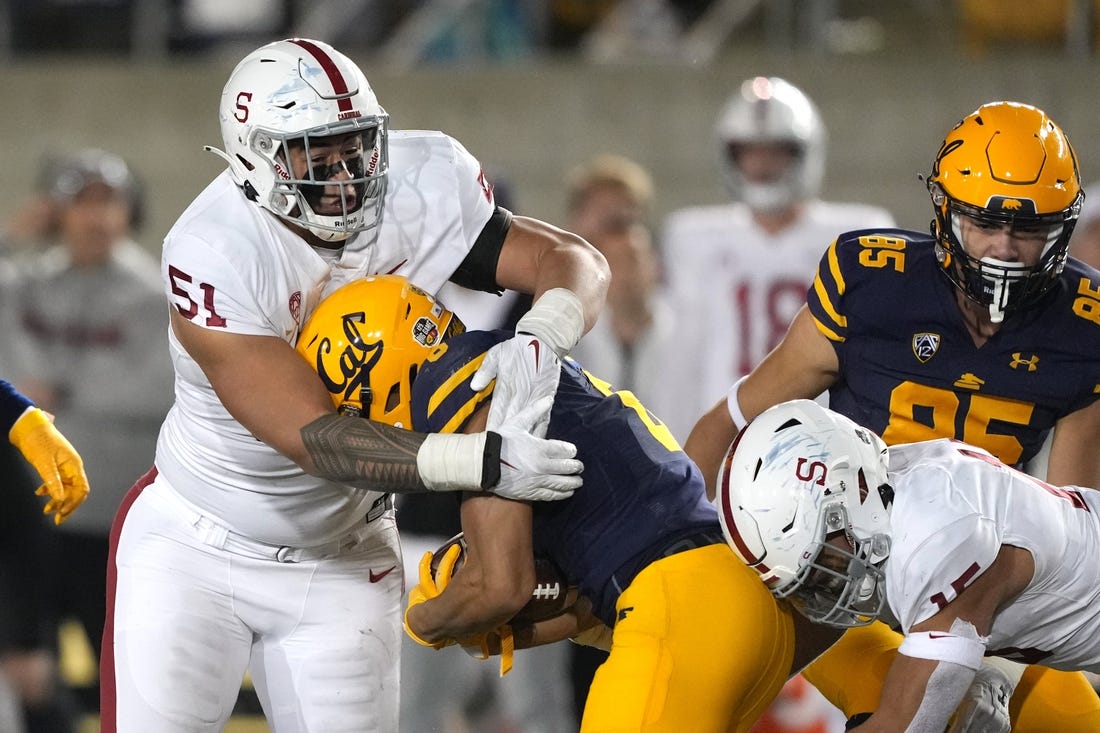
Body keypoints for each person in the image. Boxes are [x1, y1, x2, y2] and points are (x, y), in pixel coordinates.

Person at [101, 38, 608, 733]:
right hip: (196, 546)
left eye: (356, 144)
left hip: (344, 556)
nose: (344, 173)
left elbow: (571, 258)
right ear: (256, 155)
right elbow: (318, 436)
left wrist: (544, 332)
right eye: (316, 152)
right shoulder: (214, 248)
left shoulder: (424, 179)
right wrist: (479, 459)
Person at [684, 100, 1100, 730]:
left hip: (974, 579)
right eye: (985, 224)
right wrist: (682, 545)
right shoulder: (873, 283)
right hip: (839, 574)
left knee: (1072, 715)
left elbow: (1069, 506)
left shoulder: (1084, 321)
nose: (1005, 249)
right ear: (945, 213)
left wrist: (994, 648)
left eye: (1029, 229)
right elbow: (734, 419)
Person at [297, 274, 855, 733]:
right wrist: (493, 625)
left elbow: (499, 586)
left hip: (678, 610)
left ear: (374, 377)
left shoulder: (460, 386)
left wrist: (426, 621)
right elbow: (571, 601)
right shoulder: (524, 368)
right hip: (748, 596)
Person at [716, 398, 1100, 732]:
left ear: (855, 488)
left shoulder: (940, 538)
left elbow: (906, 726)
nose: (824, 584)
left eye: (819, 560)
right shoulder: (891, 495)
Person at [5, 149, 172, 718]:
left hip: (112, 521)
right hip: (29, 524)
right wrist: (11, 234)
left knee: (127, 681)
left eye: (109, 204)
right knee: (29, 684)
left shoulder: (155, 293)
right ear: (57, 212)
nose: (96, 219)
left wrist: (52, 388)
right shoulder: (28, 282)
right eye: (81, 204)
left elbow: (155, 392)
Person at [650, 76, 895, 442]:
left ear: (802, 152)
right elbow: (681, 359)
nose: (762, 164)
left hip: (825, 434)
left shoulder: (861, 235)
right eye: (750, 151)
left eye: (775, 150)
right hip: (727, 430)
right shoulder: (692, 238)